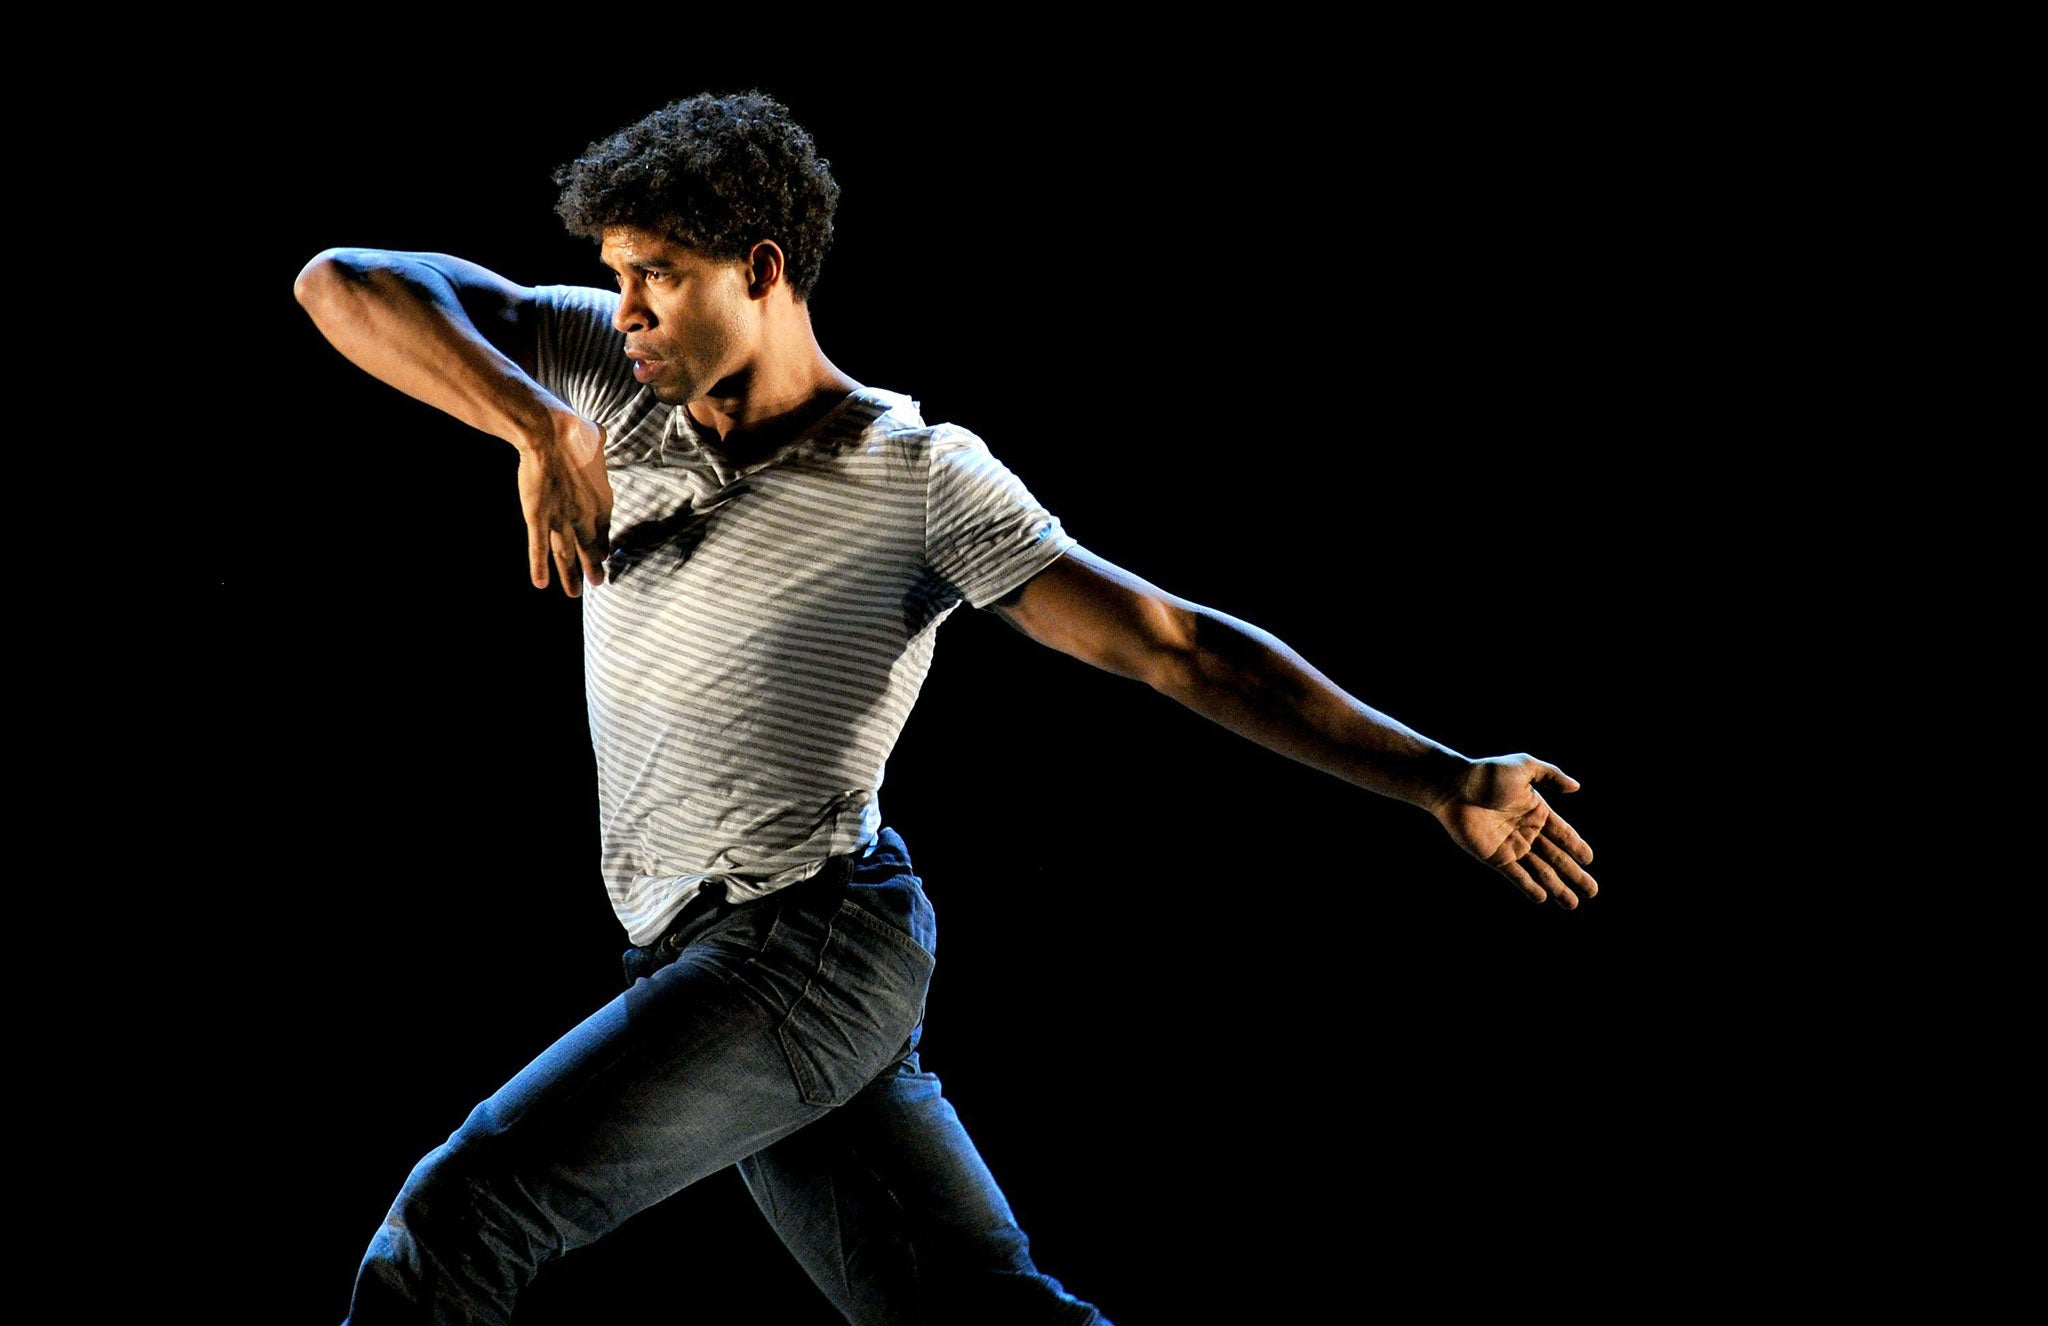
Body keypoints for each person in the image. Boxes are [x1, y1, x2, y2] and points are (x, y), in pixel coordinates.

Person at [295, 88, 1598, 1326]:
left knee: (465, 1215)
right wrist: (536, 425)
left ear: (760, 269)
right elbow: (341, 283)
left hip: (802, 945)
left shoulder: (914, 477)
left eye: (658, 275)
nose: (625, 308)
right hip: (698, 951)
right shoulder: (607, 382)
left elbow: (1174, 645)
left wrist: (1442, 776)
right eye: (616, 272)